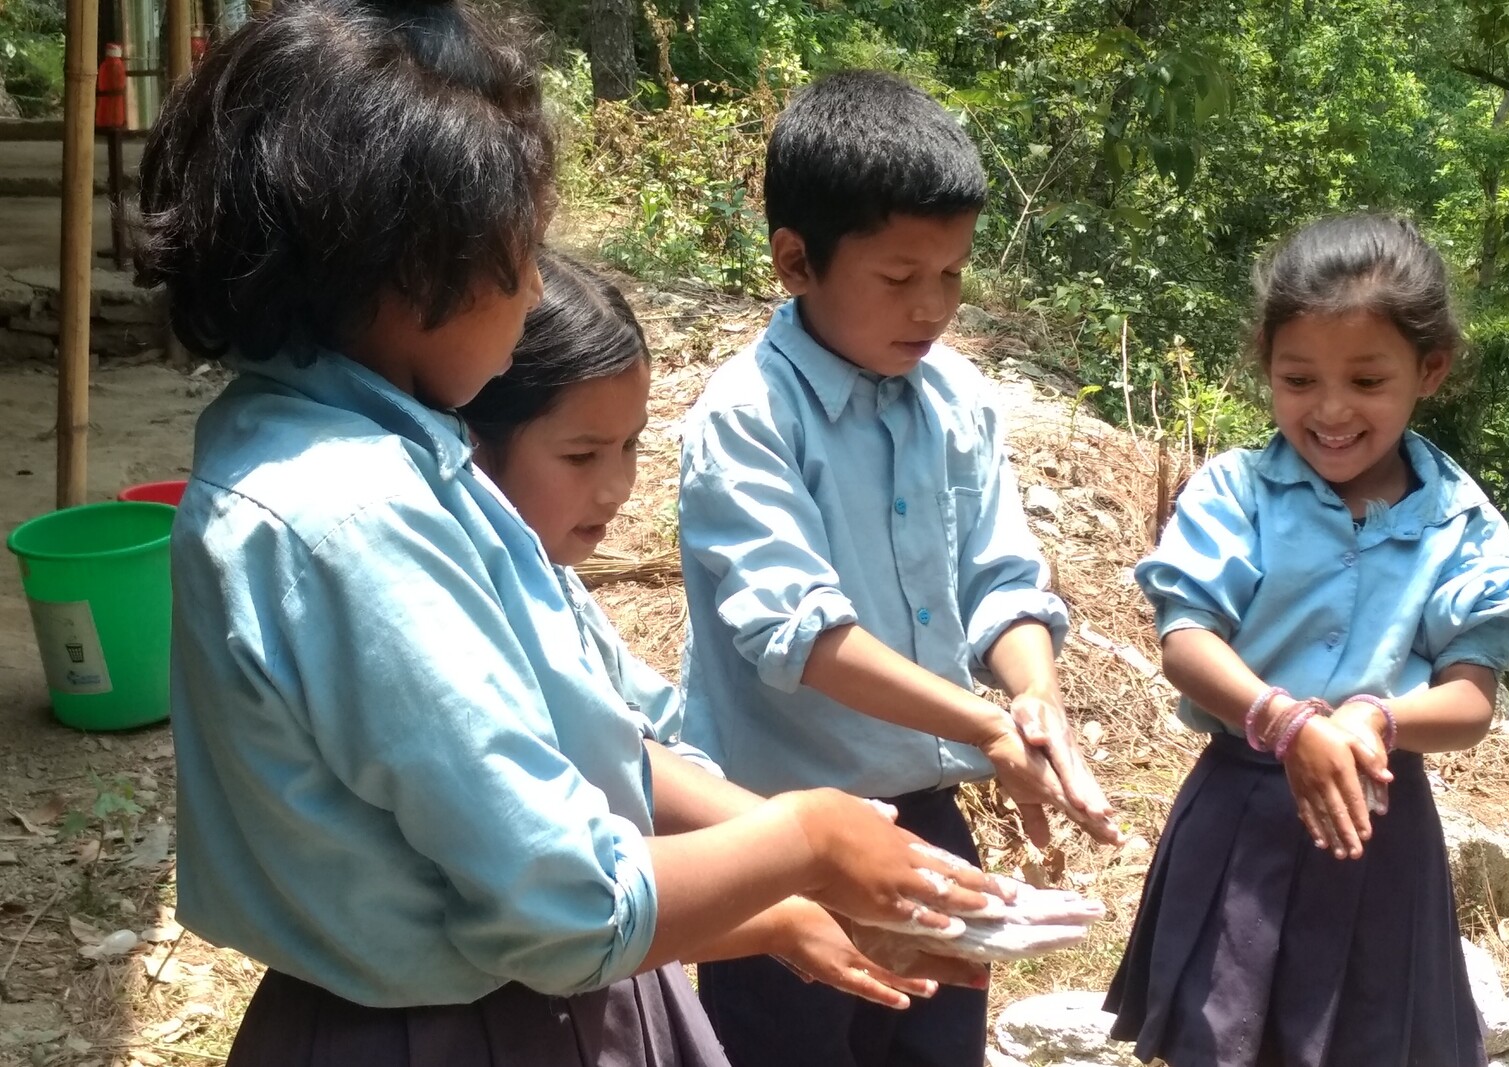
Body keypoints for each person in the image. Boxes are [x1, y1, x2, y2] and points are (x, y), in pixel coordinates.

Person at [135, 6, 1002, 1062]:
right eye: (518, 250)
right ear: (416, 268)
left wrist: (801, 871)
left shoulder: (370, 456)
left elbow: (598, 735)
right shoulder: (350, 513)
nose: (538, 286)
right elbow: (563, 901)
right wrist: (806, 836)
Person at [677, 69, 1123, 1067]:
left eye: (953, 274)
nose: (932, 307)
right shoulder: (746, 418)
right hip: (772, 834)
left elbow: (1002, 582)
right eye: (898, 276)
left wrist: (1033, 700)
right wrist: (985, 725)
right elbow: (805, 638)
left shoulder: (956, 400)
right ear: (796, 261)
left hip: (926, 819)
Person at [461, 248, 994, 1009]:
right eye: (581, 454)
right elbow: (549, 895)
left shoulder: (551, 587)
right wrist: (802, 854)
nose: (617, 487)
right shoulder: (463, 614)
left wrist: (815, 883)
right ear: (471, 442)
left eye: (632, 446)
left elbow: (635, 752)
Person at [1103, 213, 1509, 1067]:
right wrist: (1284, 720)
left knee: (1369, 1040)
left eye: (1367, 380)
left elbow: (1469, 698)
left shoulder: (1460, 524)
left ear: (1431, 369)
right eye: (1299, 378)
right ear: (1265, 363)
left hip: (1378, 832)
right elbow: (1186, 635)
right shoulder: (1237, 491)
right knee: (1219, 1038)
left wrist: (1374, 720)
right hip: (1239, 817)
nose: (1331, 410)